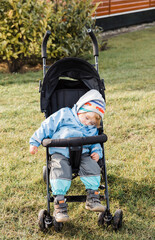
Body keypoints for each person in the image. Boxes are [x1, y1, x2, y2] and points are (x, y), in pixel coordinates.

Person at [29, 89, 106, 223]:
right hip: (60, 152)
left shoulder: (91, 128)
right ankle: (59, 206)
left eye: (93, 122)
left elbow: (95, 141)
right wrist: (35, 142)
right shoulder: (64, 114)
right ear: (79, 110)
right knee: (59, 169)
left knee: (92, 167)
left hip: (83, 153)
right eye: (86, 118)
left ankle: (92, 199)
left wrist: (96, 152)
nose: (88, 123)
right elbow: (47, 126)